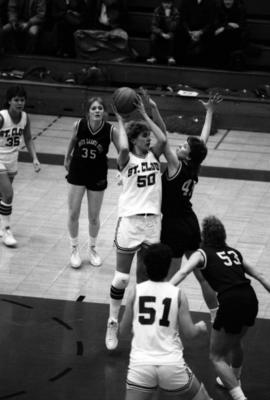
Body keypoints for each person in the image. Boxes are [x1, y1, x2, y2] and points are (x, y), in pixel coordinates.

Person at [170, 215, 270, 400]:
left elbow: (183, 271)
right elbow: (261, 275)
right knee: (235, 341)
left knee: (216, 356)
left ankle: (239, 397)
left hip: (231, 302)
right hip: (250, 299)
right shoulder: (234, 252)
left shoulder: (201, 254)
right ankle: (235, 378)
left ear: (204, 237)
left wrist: (165, 289)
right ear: (223, 235)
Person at [144, 89, 222, 321]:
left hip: (174, 226)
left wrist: (148, 113)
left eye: (184, 146)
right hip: (190, 222)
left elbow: (163, 138)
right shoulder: (194, 166)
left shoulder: (176, 165)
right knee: (201, 275)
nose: (180, 146)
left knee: (170, 278)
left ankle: (163, 317)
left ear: (187, 156)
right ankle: (216, 314)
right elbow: (202, 141)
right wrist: (209, 113)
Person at [105, 96, 167, 351]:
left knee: (146, 281)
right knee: (121, 279)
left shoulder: (154, 155)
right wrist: (121, 120)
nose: (148, 139)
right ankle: (112, 321)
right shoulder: (126, 160)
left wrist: (147, 113)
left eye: (147, 136)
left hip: (152, 224)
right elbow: (121, 149)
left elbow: (163, 138)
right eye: (143, 136)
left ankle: (142, 328)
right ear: (133, 140)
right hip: (130, 222)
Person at [119, 243, 212, 400]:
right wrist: (200, 328)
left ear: (146, 267)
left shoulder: (135, 292)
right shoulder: (178, 294)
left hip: (141, 366)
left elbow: (122, 332)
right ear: (169, 267)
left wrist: (116, 325)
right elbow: (189, 333)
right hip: (171, 365)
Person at [64, 96, 126, 269]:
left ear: (104, 112)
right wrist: (66, 156)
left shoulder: (110, 130)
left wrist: (121, 170)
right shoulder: (78, 125)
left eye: (100, 108)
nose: (97, 111)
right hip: (77, 172)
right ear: (88, 112)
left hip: (97, 174)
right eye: (94, 108)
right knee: (73, 213)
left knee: (93, 216)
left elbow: (122, 150)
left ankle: (92, 249)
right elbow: (73, 141)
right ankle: (74, 249)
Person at [0, 85, 41, 246]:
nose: (19, 103)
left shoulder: (25, 117)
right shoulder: (2, 117)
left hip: (12, 159)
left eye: (22, 100)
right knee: (9, 194)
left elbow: (29, 139)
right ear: (9, 101)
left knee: (3, 196)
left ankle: (2, 226)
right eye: (16, 99)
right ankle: (6, 230)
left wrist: (35, 158)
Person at [213, 0, 248, 69]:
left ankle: (228, 62)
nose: (227, 2)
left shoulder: (240, 8)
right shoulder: (218, 8)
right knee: (220, 34)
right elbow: (215, 23)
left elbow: (241, 24)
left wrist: (224, 28)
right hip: (221, 35)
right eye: (225, 0)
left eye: (230, 0)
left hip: (235, 35)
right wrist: (229, 25)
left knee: (231, 33)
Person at [146, 0, 179, 66]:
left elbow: (173, 27)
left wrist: (167, 17)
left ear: (171, 3)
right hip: (159, 32)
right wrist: (161, 33)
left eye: (168, 3)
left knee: (172, 36)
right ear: (161, 3)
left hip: (170, 32)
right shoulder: (157, 10)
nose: (166, 5)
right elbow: (153, 26)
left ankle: (170, 57)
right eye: (165, 3)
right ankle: (153, 57)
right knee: (153, 37)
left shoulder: (175, 11)